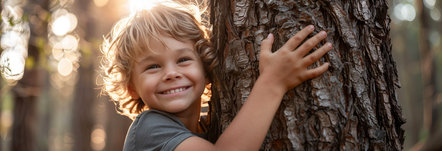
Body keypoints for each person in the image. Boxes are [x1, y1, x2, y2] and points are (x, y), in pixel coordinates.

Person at [100, 1, 332, 150]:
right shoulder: (150, 129)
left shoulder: (204, 128)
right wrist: (273, 82)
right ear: (131, 86)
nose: (171, 73)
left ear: (206, 67)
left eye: (183, 60)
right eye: (153, 67)